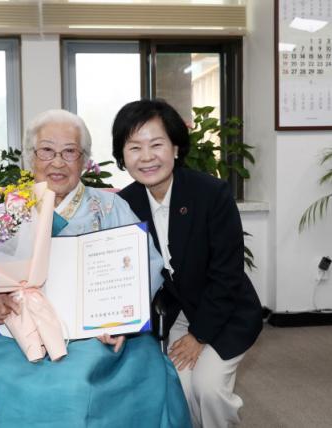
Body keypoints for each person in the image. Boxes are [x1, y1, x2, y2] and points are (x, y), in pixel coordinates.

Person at [0, 109, 191, 428]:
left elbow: (147, 266)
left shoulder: (111, 207)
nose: (57, 162)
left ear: (84, 160)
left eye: (70, 151)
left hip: (97, 332)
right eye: (46, 150)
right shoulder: (4, 211)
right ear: (30, 157)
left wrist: (121, 320)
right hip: (18, 331)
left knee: (86, 382)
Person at [112, 99, 263, 428]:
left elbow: (226, 275)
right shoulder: (126, 203)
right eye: (134, 147)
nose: (147, 157)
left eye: (156, 144)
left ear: (176, 148)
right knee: (178, 386)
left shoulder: (211, 194)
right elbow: (127, 273)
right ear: (122, 156)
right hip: (179, 312)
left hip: (226, 310)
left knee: (209, 389)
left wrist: (198, 336)